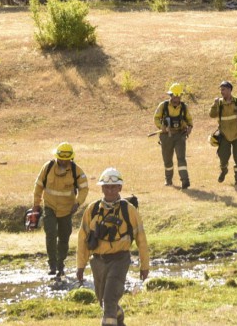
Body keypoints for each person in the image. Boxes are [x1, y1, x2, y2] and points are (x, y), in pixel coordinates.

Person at [76, 167, 150, 326]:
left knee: (109, 299)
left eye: (113, 187)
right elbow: (82, 239)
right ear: (102, 188)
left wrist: (145, 266)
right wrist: (80, 265)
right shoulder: (92, 210)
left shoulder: (128, 210)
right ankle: (119, 318)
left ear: (120, 188)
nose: (110, 190)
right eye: (106, 187)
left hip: (119, 260)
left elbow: (141, 239)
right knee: (103, 301)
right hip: (97, 261)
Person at [33, 142, 89, 278]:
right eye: (61, 159)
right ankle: (52, 265)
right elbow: (38, 185)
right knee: (51, 234)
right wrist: (36, 204)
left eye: (66, 159)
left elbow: (84, 188)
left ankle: (60, 265)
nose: (63, 161)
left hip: (67, 210)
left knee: (64, 237)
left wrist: (77, 203)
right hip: (49, 207)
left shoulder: (76, 170)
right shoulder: (48, 167)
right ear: (56, 157)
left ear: (71, 158)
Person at [207, 79, 237, 185]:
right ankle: (223, 170)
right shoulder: (219, 103)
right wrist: (214, 104)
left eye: (224, 89)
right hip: (224, 135)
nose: (221, 92)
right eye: (221, 90)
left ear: (230, 90)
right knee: (223, 157)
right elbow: (212, 115)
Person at [153, 82, 192, 188]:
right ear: (170, 95)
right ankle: (168, 180)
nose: (176, 98)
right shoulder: (163, 106)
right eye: (174, 96)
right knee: (167, 159)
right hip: (166, 136)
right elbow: (156, 118)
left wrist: (189, 127)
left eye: (178, 96)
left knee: (181, 158)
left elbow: (189, 120)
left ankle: (185, 180)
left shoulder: (184, 107)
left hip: (180, 135)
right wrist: (161, 127)